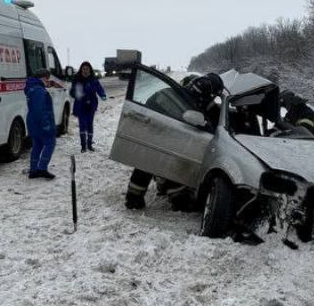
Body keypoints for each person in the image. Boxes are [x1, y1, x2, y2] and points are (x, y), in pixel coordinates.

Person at [125, 73, 224, 210]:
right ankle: (178, 201)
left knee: (148, 164)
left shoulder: (172, 92)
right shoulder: (189, 101)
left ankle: (134, 198)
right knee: (168, 165)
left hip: (152, 129)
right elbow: (195, 118)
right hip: (163, 134)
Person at [24, 68, 58, 180]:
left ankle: (33, 170)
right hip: (41, 123)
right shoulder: (39, 90)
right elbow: (40, 110)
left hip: (33, 122)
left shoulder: (32, 88)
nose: (48, 81)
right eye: (47, 78)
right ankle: (42, 168)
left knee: (37, 145)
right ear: (42, 78)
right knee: (50, 143)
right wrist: (45, 124)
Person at [70, 61, 106, 153]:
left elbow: (99, 88)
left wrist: (102, 95)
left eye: (87, 69)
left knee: (90, 124)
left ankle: (89, 144)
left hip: (91, 105)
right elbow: (72, 91)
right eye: (84, 69)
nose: (85, 70)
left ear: (90, 69)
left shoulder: (93, 79)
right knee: (83, 125)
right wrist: (76, 94)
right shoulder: (77, 79)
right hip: (81, 105)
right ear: (81, 69)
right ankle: (83, 146)